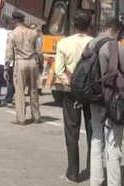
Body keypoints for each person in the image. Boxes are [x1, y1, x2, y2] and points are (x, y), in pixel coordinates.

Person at [53, 11, 93, 183]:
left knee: (71, 132)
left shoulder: (64, 43)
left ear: (73, 24)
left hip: (71, 93)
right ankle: (94, 170)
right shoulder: (94, 43)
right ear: (89, 25)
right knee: (94, 133)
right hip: (90, 94)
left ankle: (73, 172)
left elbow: (59, 71)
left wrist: (70, 83)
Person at [89, 17, 124, 186]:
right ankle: (114, 182)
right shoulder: (115, 46)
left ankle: (96, 180)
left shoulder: (91, 44)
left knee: (96, 138)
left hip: (94, 98)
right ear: (117, 31)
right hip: (113, 101)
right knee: (113, 144)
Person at [6, 11, 42, 124]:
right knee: (33, 90)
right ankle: (36, 116)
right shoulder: (33, 33)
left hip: (20, 62)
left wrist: (7, 67)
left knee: (20, 91)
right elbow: (38, 50)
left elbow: (9, 54)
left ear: (14, 21)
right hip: (32, 62)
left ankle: (21, 118)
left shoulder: (12, 34)